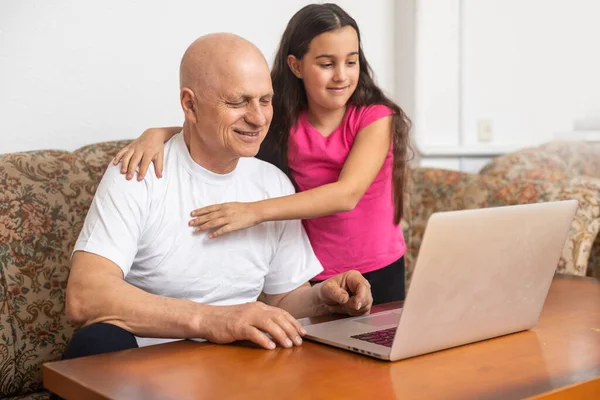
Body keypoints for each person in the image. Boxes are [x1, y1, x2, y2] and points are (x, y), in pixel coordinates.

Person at [63, 32, 373, 364]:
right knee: (94, 342)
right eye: (238, 102)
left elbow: (283, 298)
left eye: (265, 100)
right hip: (146, 362)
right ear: (190, 105)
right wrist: (212, 320)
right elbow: (84, 296)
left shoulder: (274, 184)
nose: (257, 118)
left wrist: (324, 298)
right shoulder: (140, 172)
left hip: (236, 364)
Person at [113, 3, 412, 305]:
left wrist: (253, 211)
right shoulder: (280, 120)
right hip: (314, 273)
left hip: (379, 265)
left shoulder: (376, 117)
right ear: (296, 66)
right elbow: (216, 127)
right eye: (326, 64)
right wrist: (158, 134)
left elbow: (347, 194)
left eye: (351, 62)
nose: (341, 76)